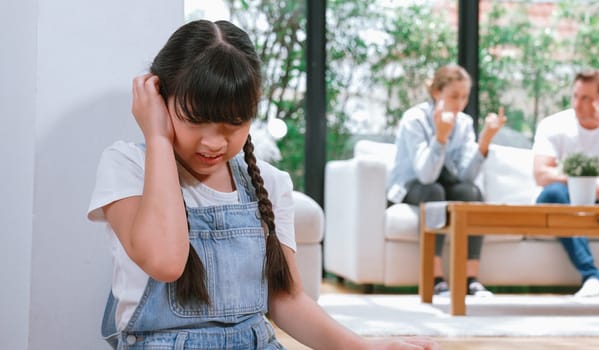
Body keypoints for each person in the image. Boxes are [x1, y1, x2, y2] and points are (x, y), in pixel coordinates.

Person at [87, 20, 439, 350]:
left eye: (232, 125)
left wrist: (365, 347)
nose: (213, 143)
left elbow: (286, 299)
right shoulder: (127, 165)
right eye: (196, 120)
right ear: (160, 100)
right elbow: (165, 262)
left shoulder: (269, 182)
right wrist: (158, 138)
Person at [386, 64, 506, 297]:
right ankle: (435, 278)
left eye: (464, 97)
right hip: (411, 185)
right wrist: (440, 137)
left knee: (471, 193)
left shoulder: (463, 123)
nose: (460, 103)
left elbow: (465, 177)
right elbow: (425, 175)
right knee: (434, 193)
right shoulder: (415, 119)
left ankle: (470, 279)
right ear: (436, 93)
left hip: (444, 182)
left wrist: (484, 143)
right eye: (453, 96)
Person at [533, 68, 599, 297]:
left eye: (586, 98)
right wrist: (589, 183)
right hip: (566, 199)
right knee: (552, 193)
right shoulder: (554, 125)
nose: (577, 104)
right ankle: (592, 277)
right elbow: (541, 174)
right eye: (575, 96)